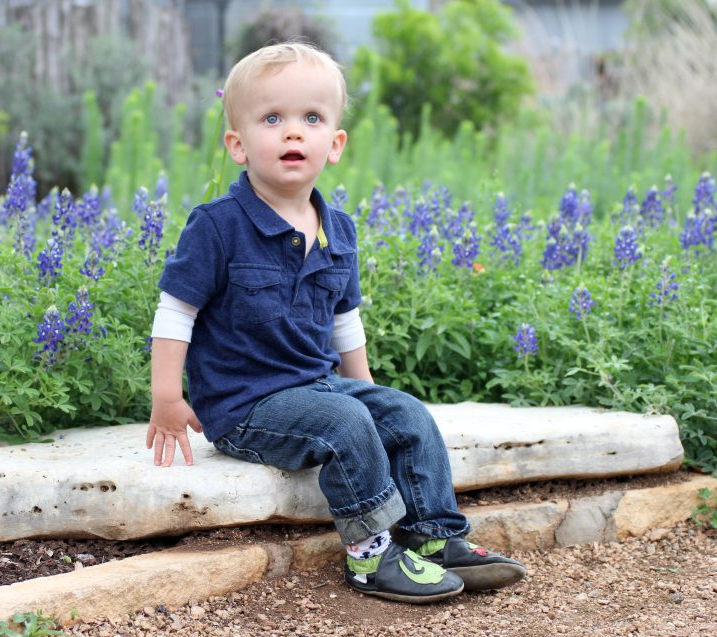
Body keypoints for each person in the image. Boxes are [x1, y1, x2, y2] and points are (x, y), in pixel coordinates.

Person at [145, 42, 525, 603]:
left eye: (311, 118)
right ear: (237, 145)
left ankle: (433, 539)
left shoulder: (338, 228)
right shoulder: (218, 226)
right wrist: (167, 397)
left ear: (336, 143)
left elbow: (345, 318)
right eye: (272, 119)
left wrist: (366, 390)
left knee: (405, 414)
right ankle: (370, 557)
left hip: (317, 387)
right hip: (244, 406)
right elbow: (176, 312)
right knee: (345, 423)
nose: (293, 133)